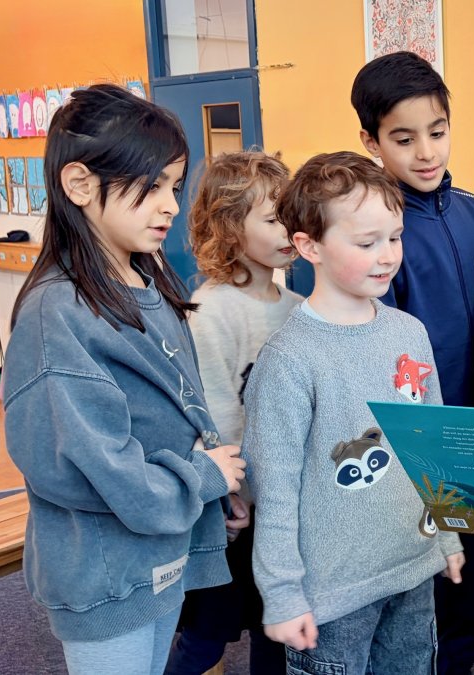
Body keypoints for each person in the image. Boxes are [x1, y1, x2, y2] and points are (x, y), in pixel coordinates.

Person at [2, 83, 245, 674]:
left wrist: (215, 487)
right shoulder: (57, 312)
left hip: (160, 548)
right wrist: (200, 478)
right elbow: (93, 464)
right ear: (80, 185)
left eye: (174, 187)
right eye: (152, 186)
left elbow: (183, 407)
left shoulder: (148, 280)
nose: (170, 206)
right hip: (105, 570)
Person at [242, 151, 465, 675]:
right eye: (367, 243)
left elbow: (431, 446)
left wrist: (448, 535)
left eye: (395, 237)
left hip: (413, 568)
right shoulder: (289, 359)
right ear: (309, 246)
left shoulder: (410, 333)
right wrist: (282, 593)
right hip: (332, 596)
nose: (387, 256)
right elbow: (275, 489)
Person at [349, 52, 474, 674]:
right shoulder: (372, 233)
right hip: (412, 438)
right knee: (417, 590)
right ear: (371, 141)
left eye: (437, 132)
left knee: (471, 581)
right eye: (404, 138)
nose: (425, 152)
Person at [165, 151, 297, 675]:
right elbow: (215, 415)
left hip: (281, 507)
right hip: (232, 509)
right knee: (207, 636)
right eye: (273, 219)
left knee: (277, 629)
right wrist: (232, 494)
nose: (288, 228)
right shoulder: (212, 310)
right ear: (229, 228)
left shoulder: (298, 308)